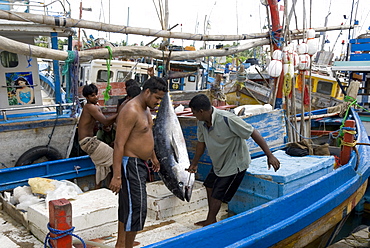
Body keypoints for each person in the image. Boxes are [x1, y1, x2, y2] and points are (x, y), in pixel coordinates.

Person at [186, 94, 280, 227]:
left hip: (235, 162)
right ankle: (211, 218)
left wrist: (269, 155)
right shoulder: (201, 122)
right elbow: (201, 143)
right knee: (209, 185)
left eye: (194, 112)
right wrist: (194, 163)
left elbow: (253, 132)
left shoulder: (227, 119)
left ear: (201, 111)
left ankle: (211, 220)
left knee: (217, 194)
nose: (194, 115)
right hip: (219, 161)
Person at [109, 76, 168, 248]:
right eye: (157, 98)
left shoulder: (146, 108)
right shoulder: (131, 110)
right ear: (147, 92)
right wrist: (117, 176)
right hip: (131, 164)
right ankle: (123, 245)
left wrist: (153, 157)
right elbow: (119, 143)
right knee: (137, 208)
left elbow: (146, 134)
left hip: (141, 163)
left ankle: (122, 244)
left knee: (131, 207)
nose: (158, 102)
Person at [78, 83, 118, 187]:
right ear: (86, 97)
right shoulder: (90, 107)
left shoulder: (92, 107)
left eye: (96, 94)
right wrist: (120, 113)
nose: (96, 97)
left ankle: (100, 187)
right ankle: (114, 185)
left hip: (89, 141)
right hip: (88, 142)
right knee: (114, 157)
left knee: (103, 164)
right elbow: (105, 122)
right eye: (92, 95)